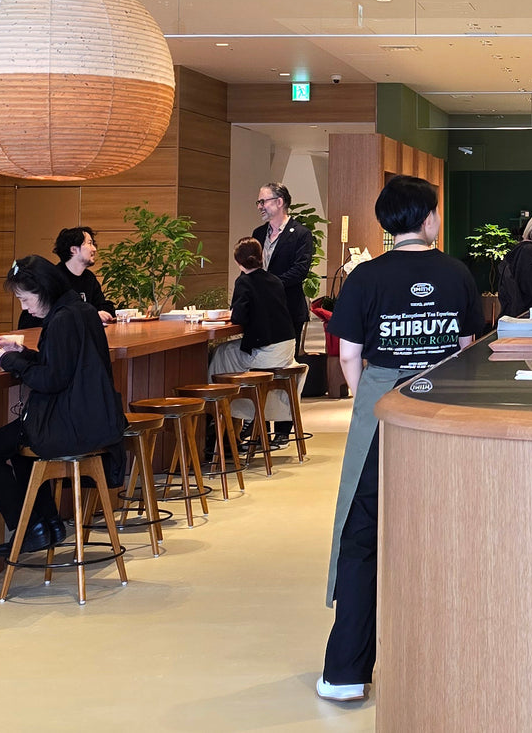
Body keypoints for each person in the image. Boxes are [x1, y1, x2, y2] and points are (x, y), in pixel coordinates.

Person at [317, 175, 483, 703]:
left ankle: (346, 672)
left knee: (361, 532)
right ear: (429, 219)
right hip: (441, 408)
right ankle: (443, 662)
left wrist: (367, 397)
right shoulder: (457, 273)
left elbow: (348, 353)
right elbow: (466, 349)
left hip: (381, 404)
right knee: (445, 526)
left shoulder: (365, 276)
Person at [0, 255, 127, 556]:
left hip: (71, 425)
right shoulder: (79, 310)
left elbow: (50, 380)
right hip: (93, 418)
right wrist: (20, 351)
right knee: (20, 452)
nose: (24, 308)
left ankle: (30, 527)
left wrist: (7, 360)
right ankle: (48, 526)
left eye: (25, 299)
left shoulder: (62, 320)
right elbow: (60, 364)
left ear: (43, 290)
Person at [207, 237, 305, 447]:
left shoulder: (244, 282)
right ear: (261, 257)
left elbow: (239, 317)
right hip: (287, 348)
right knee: (227, 352)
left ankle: (215, 413)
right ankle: (233, 421)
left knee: (221, 353)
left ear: (238, 261)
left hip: (267, 354)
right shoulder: (275, 280)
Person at [251, 183, 315, 351]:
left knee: (285, 361)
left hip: (288, 309)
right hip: (261, 310)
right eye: (258, 202)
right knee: (260, 360)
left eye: (263, 202)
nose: (259, 207)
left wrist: (269, 284)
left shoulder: (301, 234)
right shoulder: (258, 234)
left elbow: (300, 270)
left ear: (279, 202)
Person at [18, 226, 116, 329]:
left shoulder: (89, 278)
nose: (94, 249)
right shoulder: (53, 278)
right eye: (89, 243)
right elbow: (45, 317)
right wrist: (90, 315)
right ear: (74, 250)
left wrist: (100, 314)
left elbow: (103, 306)